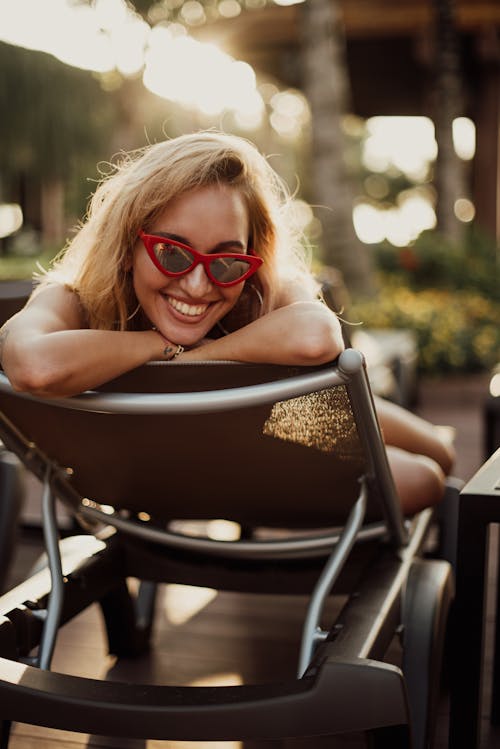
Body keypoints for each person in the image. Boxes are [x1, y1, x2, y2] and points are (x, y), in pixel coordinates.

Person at [0, 130, 454, 514]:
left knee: (441, 453)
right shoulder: (75, 298)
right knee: (425, 478)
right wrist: (160, 347)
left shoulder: (261, 286)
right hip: (211, 467)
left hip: (287, 422)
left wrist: (184, 360)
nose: (198, 286)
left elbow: (317, 333)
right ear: (127, 244)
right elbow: (32, 366)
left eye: (227, 259)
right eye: (172, 252)